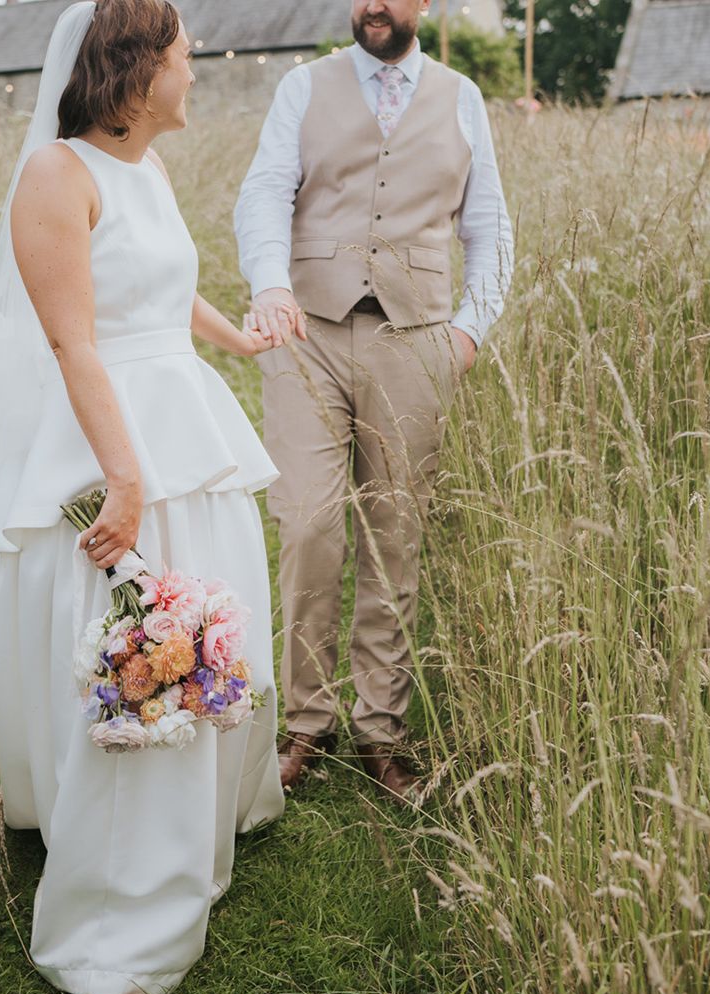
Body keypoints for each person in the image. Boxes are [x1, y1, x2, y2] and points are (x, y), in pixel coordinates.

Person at [0, 2, 285, 994]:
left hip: (184, 418)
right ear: (136, 68)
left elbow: (162, 283)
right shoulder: (57, 173)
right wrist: (124, 479)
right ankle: (123, 885)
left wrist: (237, 338)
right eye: (184, 56)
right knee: (132, 630)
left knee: (205, 618)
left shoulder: (149, 168)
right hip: (108, 434)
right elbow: (73, 336)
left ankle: (202, 806)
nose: (196, 71)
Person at [235, 0, 514, 802]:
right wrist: (271, 285)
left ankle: (382, 732)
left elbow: (489, 227)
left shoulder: (462, 97)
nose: (373, 5)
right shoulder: (303, 85)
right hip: (307, 332)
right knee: (309, 524)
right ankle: (305, 722)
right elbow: (264, 193)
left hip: (416, 339)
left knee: (395, 533)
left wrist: (467, 332)